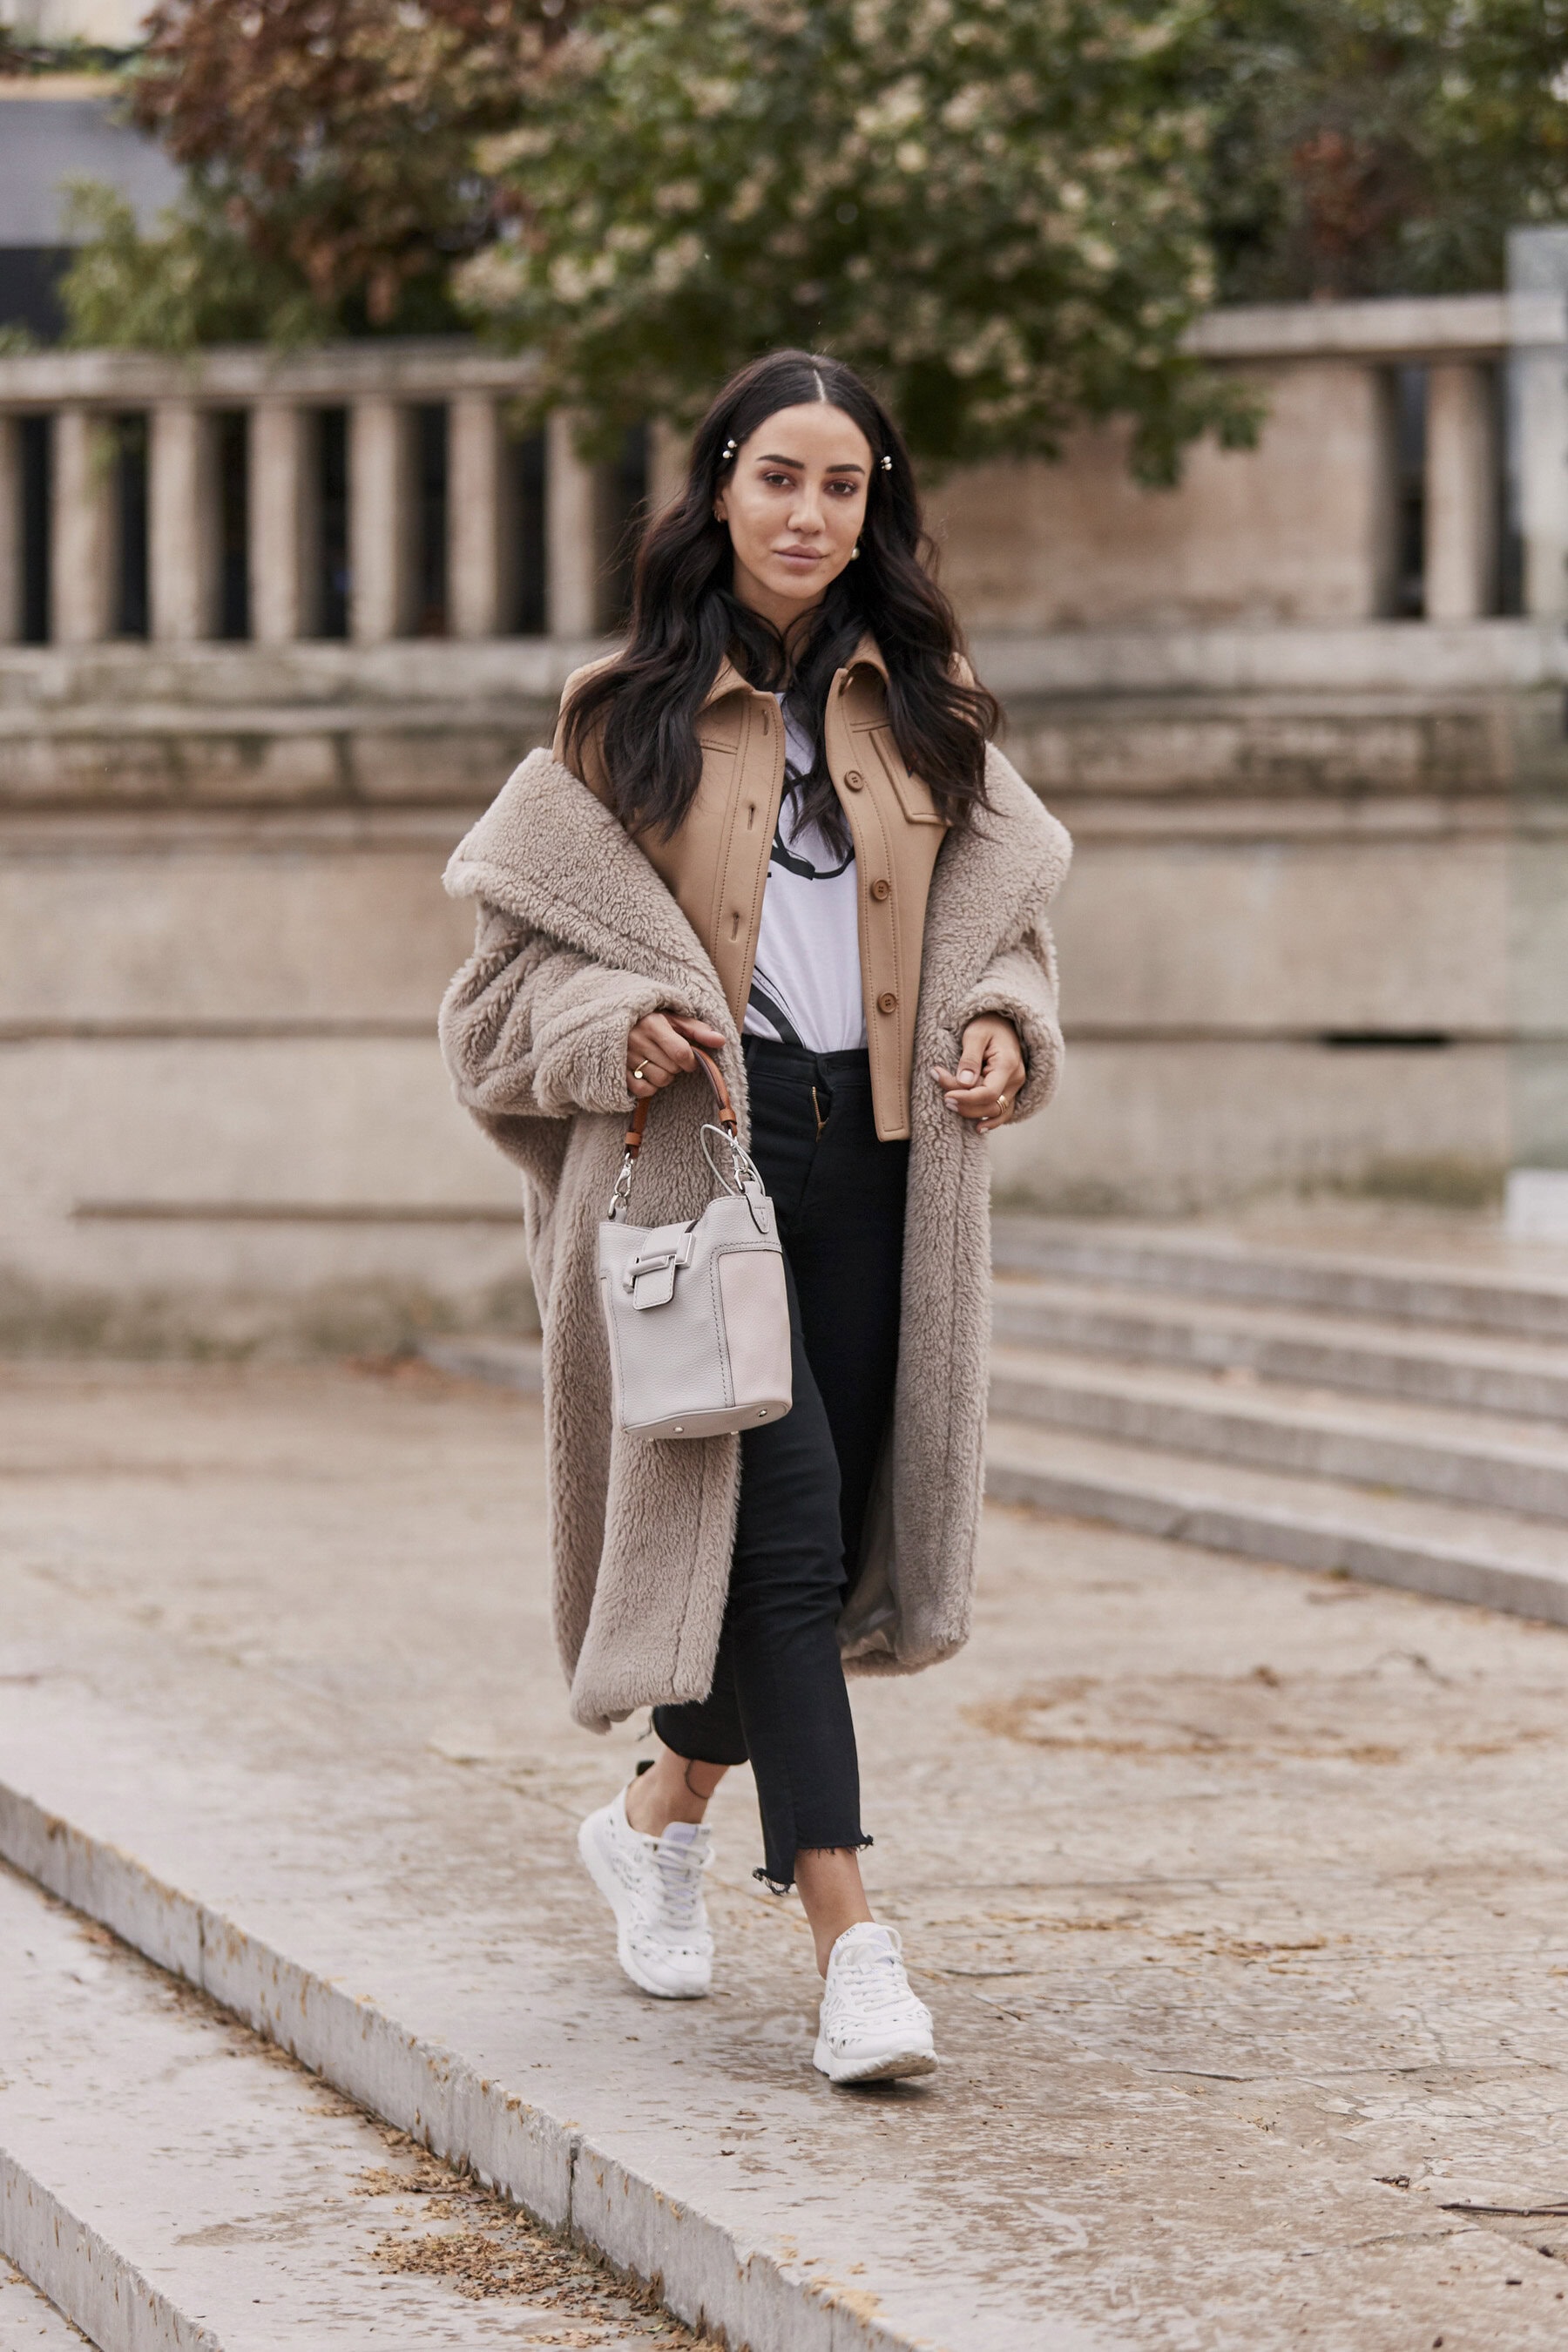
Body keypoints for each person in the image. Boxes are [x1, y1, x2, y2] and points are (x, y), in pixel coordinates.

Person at [439, 348, 1070, 2085]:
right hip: (706, 1179)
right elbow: (493, 1012)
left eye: (843, 484)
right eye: (777, 475)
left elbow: (1001, 942)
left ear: (878, 510)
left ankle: (659, 1815)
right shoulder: (613, 726)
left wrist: (1009, 1035)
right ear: (719, 485)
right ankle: (853, 1943)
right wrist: (603, 1033)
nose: (809, 511)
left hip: (878, 1169)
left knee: (803, 1542)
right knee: (781, 1539)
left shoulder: (931, 712)